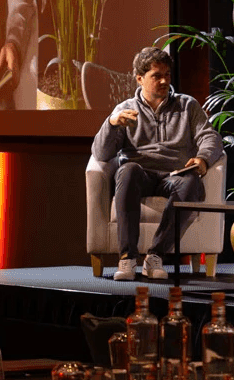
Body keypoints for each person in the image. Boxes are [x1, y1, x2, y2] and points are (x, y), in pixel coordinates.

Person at [91, 46, 223, 281]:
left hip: (174, 174)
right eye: (156, 76)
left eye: (167, 75)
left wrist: (202, 158)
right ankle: (127, 258)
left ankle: (155, 256)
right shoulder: (125, 110)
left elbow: (210, 136)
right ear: (140, 78)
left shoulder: (187, 105)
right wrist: (111, 124)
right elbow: (101, 154)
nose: (164, 80)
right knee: (127, 170)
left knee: (191, 183)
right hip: (140, 173)